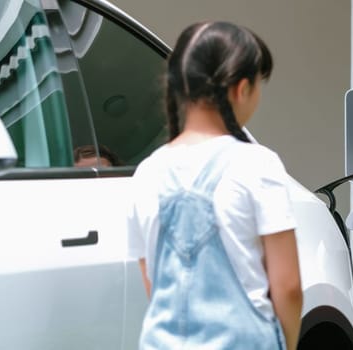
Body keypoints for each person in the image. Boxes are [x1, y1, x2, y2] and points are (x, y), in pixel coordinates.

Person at [126, 21, 301, 350]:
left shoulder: (146, 173)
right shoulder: (257, 164)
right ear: (242, 89)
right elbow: (287, 286)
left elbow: (154, 283)